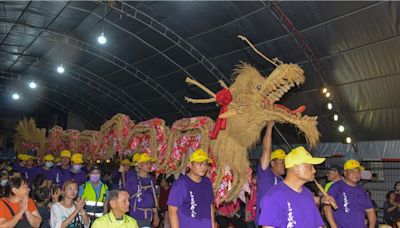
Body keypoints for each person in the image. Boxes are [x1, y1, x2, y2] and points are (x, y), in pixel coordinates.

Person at [258, 146, 328, 228]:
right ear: (296, 168)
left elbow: (318, 224)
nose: (314, 170)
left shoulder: (307, 194)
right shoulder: (274, 197)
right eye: (310, 166)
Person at [168, 149, 215, 228]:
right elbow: (172, 212)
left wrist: (213, 225)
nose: (203, 167)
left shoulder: (207, 182)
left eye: (205, 164)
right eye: (200, 164)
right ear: (190, 165)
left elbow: (210, 206)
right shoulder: (181, 184)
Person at [325, 159, 376, 228]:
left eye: (358, 171)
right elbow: (327, 207)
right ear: (345, 173)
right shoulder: (336, 187)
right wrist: (333, 226)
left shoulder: (362, 191)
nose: (356, 174)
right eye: (352, 171)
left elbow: (370, 211)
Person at [256, 122, 286, 225]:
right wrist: (269, 127)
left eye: (284, 162)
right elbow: (266, 149)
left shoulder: (283, 181)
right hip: (266, 222)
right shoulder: (265, 174)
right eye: (280, 162)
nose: (284, 165)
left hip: (280, 222)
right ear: (272, 163)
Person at [126, 152, 159, 227]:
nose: (149, 165)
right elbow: (126, 196)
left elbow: (154, 197)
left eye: (150, 163)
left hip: (148, 216)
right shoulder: (132, 180)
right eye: (146, 163)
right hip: (135, 216)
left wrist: (156, 215)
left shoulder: (151, 180)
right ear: (139, 165)